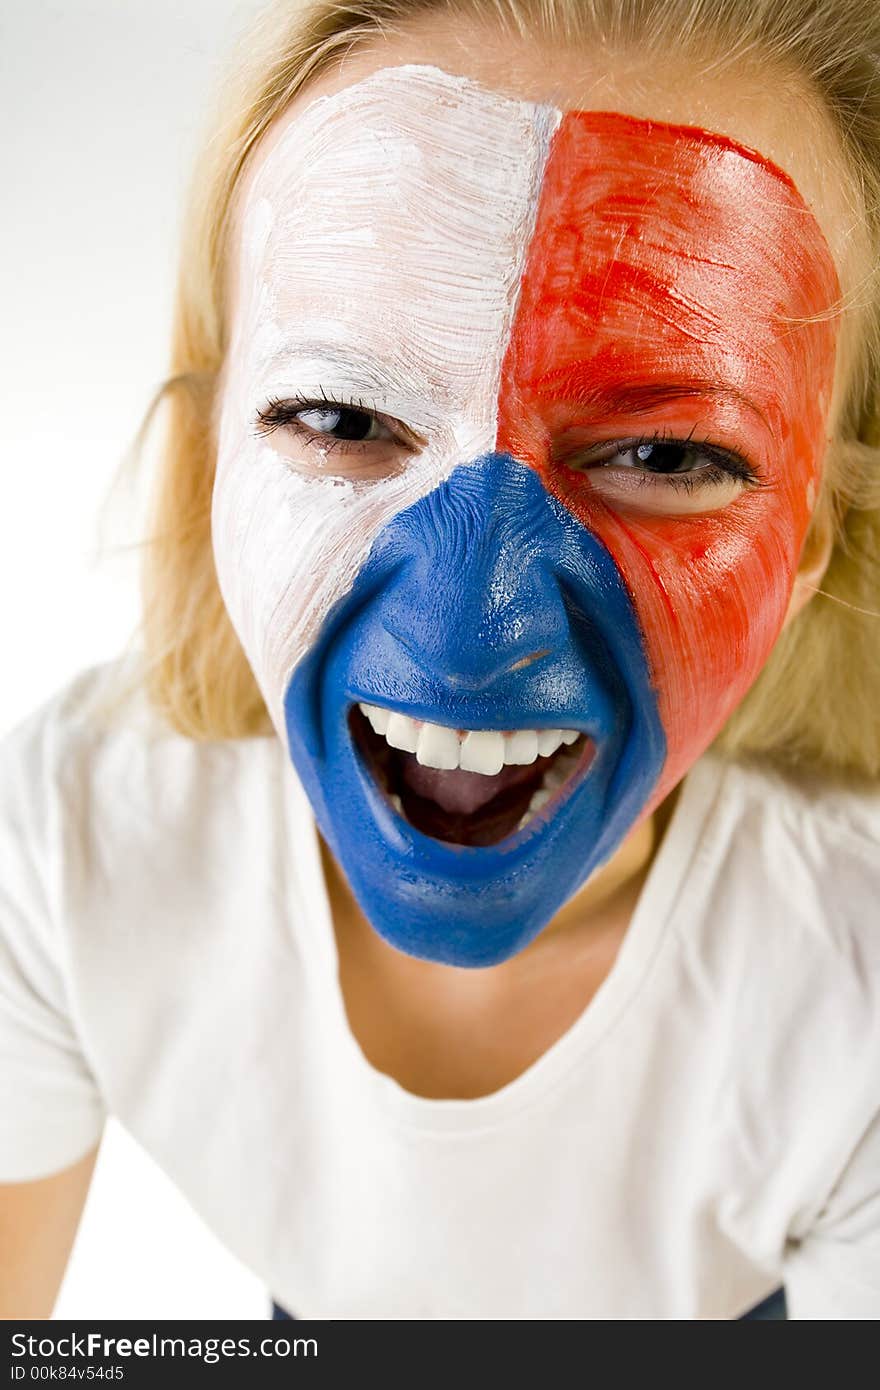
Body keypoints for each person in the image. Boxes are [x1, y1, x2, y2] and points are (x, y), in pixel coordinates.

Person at [2, 0, 879, 1321]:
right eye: (343, 419)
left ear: (810, 548)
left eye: (666, 455)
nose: (474, 632)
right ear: (210, 467)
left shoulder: (852, 987)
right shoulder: (73, 842)